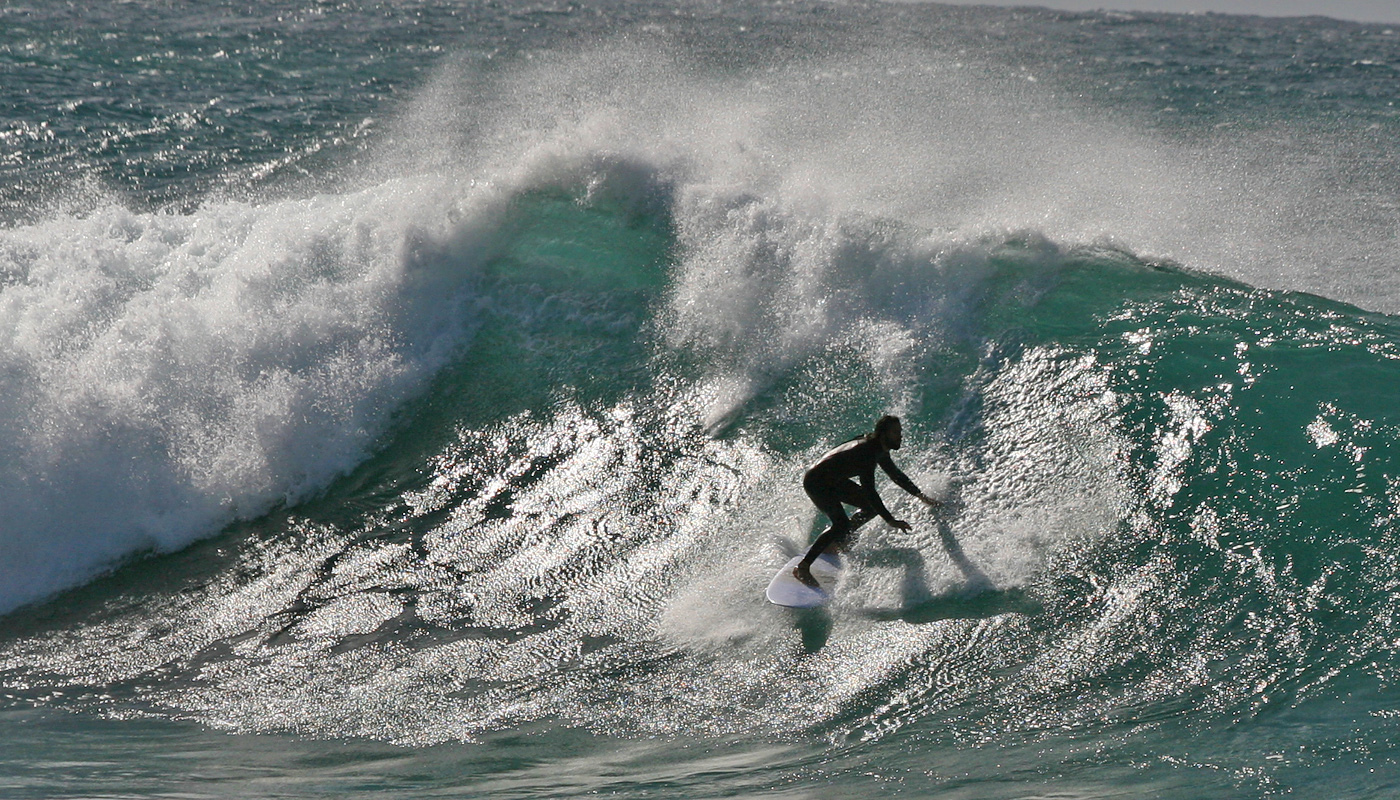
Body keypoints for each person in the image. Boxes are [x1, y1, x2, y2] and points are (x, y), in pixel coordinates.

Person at [793, 415, 940, 587]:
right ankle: (803, 567)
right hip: (816, 482)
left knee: (869, 508)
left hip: (833, 480)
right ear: (883, 434)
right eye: (896, 432)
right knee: (841, 523)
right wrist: (891, 520)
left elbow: (896, 476)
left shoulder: (877, 447)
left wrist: (921, 496)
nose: (900, 436)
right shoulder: (867, 453)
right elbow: (870, 490)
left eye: (900, 432)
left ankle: (840, 541)